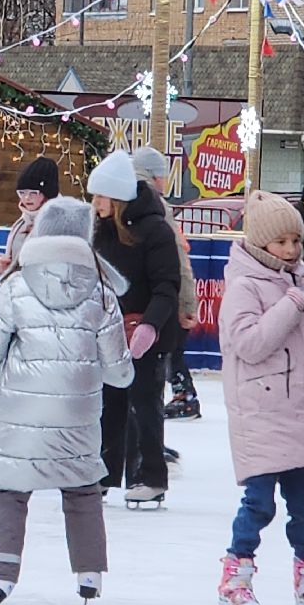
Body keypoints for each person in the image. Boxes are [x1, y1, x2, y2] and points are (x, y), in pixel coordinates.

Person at [0, 198, 134, 605]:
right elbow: (118, 371)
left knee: (9, 487)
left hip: (22, 413)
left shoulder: (15, 286)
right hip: (78, 414)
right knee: (82, 488)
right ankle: (89, 573)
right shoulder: (101, 292)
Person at [217, 190, 304, 605]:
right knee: (258, 505)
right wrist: (291, 303)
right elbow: (250, 344)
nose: (292, 250)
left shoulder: (299, 281)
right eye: (282, 242)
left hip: (301, 414)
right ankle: (236, 579)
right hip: (261, 415)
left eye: (296, 241)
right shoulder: (244, 285)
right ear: (260, 243)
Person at [88, 150, 184, 507]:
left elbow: (167, 284)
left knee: (144, 405)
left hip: (147, 332)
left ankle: (151, 477)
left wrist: (149, 326)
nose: (95, 203)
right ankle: (103, 474)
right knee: (109, 403)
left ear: (117, 197)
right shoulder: (101, 230)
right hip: (111, 331)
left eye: (100, 196)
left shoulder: (156, 230)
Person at [131, 146, 200, 424]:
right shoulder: (158, 207)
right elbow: (178, 259)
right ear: (155, 176)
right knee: (166, 351)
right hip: (159, 297)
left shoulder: (113, 198)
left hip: (126, 301)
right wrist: (187, 303)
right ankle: (181, 396)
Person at [0, 156, 59, 282]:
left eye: (33, 193)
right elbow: (15, 259)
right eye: (22, 193)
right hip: (17, 289)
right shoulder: (23, 221)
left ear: (48, 193)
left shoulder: (57, 225)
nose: (26, 198)